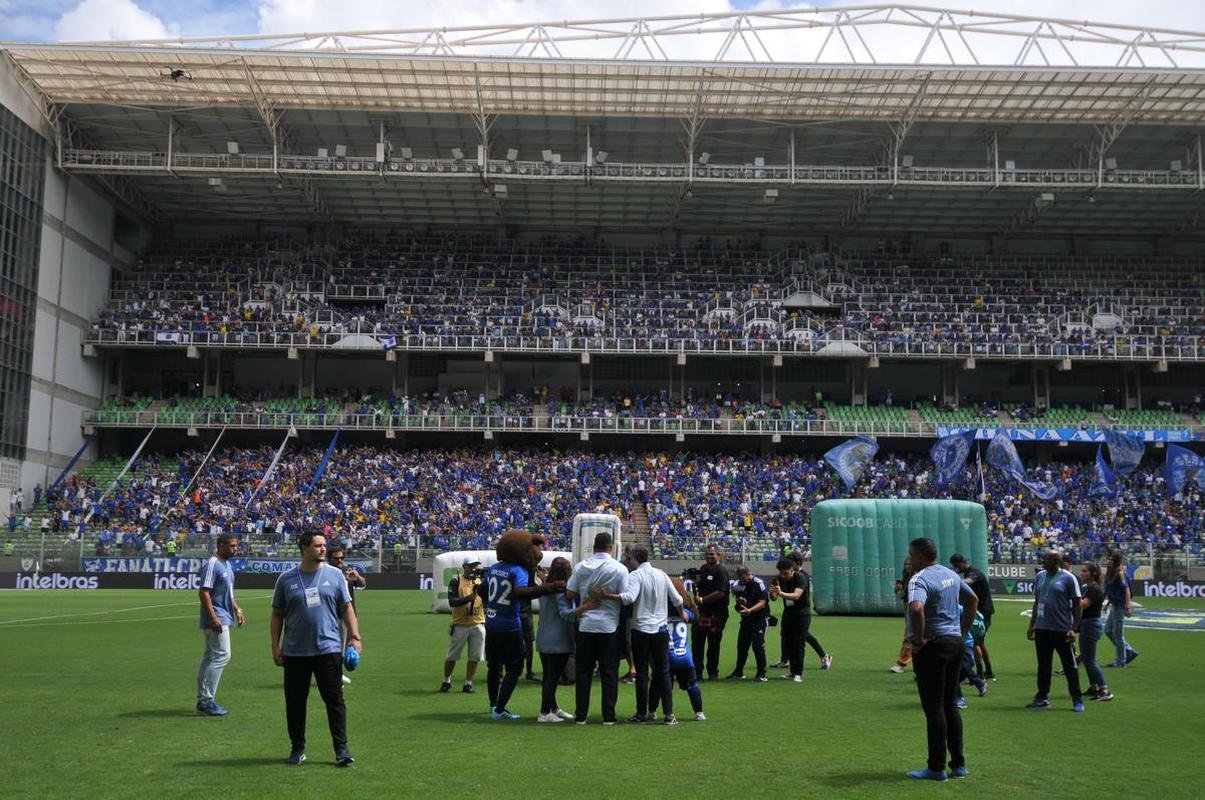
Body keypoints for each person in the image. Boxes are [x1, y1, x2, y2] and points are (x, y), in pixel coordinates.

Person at [270, 531, 361, 767]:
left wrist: (355, 637)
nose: (323, 549)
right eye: (317, 545)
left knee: (335, 701)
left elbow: (347, 608)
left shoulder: (335, 576)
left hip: (328, 648)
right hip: (295, 652)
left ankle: (341, 749)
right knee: (295, 702)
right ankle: (297, 748)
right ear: (304, 548)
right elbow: (277, 614)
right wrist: (275, 645)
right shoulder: (286, 579)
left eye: (324, 545)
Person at [905, 536, 977, 782]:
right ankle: (958, 764)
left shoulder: (920, 578)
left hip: (933, 647)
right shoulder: (950, 574)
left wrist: (918, 639)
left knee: (934, 709)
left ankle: (936, 768)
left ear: (921, 556)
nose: (909, 559)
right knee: (950, 705)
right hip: (955, 643)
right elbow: (972, 600)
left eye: (912, 555)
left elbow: (916, 608)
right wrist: (963, 631)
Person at [592, 544, 685, 724]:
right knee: (663, 672)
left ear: (634, 559)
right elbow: (677, 599)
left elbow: (629, 598)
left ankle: (641, 713)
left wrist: (607, 596)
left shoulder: (635, 575)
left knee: (642, 673)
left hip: (641, 629)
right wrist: (681, 613)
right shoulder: (662, 574)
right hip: (660, 629)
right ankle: (669, 714)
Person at [481, 531, 561, 721]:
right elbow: (521, 592)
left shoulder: (494, 567)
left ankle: (493, 705)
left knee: (493, 666)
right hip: (509, 624)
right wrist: (548, 587)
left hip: (491, 623)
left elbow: (482, 589)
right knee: (515, 667)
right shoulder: (518, 570)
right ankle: (500, 708)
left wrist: (490, 606)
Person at [565, 530, 629, 725]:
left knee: (583, 672)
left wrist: (587, 596)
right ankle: (608, 716)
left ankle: (581, 716)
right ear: (611, 547)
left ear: (594, 547)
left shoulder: (581, 566)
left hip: (585, 624)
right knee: (609, 672)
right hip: (609, 626)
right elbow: (626, 596)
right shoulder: (619, 569)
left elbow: (569, 594)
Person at [1026, 548, 1084, 712]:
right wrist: (1032, 625)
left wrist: (1074, 628)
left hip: (1062, 629)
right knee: (1043, 665)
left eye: (1047, 559)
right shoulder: (1040, 576)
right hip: (1042, 628)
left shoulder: (1068, 578)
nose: (1043, 561)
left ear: (1056, 561)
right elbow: (1037, 601)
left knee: (1069, 666)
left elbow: (1078, 604)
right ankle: (1042, 697)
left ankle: (1077, 699)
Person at [196, 534, 245, 716]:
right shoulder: (212, 564)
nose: (235, 549)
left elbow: (228, 594)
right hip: (217, 618)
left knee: (210, 657)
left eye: (236, 546)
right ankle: (206, 701)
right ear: (221, 545)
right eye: (232, 546)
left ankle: (203, 699)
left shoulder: (227, 564)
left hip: (223, 615)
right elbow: (204, 592)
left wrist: (237, 608)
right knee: (223, 655)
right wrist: (214, 617)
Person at [649, 576, 706, 722]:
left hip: (664, 656)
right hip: (684, 657)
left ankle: (652, 712)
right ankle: (699, 712)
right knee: (692, 685)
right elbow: (696, 617)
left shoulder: (658, 612)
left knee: (657, 685)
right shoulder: (686, 613)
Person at [770, 556, 830, 681]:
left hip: (801, 615)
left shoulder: (801, 577)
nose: (783, 576)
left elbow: (797, 595)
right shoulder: (779, 578)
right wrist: (773, 593)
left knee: (798, 644)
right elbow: (774, 598)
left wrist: (781, 593)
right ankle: (792, 671)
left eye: (785, 573)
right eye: (781, 573)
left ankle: (798, 674)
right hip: (788, 613)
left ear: (793, 570)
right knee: (788, 642)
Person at [535, 557, 577, 723]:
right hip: (558, 640)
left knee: (548, 676)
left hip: (544, 637)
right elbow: (566, 614)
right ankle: (545, 712)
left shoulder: (545, 588)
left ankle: (553, 708)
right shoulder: (560, 591)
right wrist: (584, 608)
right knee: (552, 678)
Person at [441, 557, 485, 695]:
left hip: (478, 623)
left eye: (475, 566)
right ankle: (446, 680)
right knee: (452, 655)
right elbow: (452, 602)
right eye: (471, 566)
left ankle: (468, 683)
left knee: (475, 656)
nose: (473, 568)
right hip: (460, 624)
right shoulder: (456, 581)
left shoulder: (479, 581)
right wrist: (468, 598)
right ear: (464, 566)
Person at [950, 553, 995, 681]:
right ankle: (989, 671)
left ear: (961, 563)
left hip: (981, 612)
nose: (956, 568)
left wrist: (949, 582)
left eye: (956, 566)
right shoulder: (970, 572)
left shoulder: (974, 573)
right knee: (980, 642)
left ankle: (979, 674)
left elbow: (967, 582)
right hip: (983, 611)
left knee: (975, 642)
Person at [691, 544, 730, 681]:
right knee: (697, 643)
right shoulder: (704, 569)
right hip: (702, 612)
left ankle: (713, 673)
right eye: (707, 554)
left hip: (717, 613)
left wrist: (702, 600)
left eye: (712, 554)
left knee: (713, 644)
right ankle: (697, 672)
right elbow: (700, 586)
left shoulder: (721, 571)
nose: (708, 556)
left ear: (719, 555)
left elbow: (720, 593)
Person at [329, 545, 367, 686]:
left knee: (347, 646)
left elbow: (362, 584)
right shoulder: (329, 573)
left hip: (350, 614)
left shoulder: (347, 569)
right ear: (329, 559)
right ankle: (336, 676)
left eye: (341, 558)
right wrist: (343, 580)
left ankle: (337, 674)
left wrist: (357, 577)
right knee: (336, 647)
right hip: (336, 615)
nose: (340, 560)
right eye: (336, 558)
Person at [727, 565, 770, 682]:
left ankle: (761, 673)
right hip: (746, 619)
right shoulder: (737, 584)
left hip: (760, 619)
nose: (742, 579)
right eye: (740, 577)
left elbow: (762, 603)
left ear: (748, 573)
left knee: (757, 645)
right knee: (742, 646)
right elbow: (738, 600)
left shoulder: (759, 583)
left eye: (744, 576)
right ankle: (738, 671)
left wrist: (750, 610)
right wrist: (740, 605)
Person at [1078, 562, 1114, 702]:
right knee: (1087, 659)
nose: (1082, 573)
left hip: (1090, 624)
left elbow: (1083, 604)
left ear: (1092, 574)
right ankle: (1094, 686)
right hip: (1088, 624)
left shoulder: (1094, 589)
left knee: (1090, 660)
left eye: (1085, 571)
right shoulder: (1089, 588)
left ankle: (1104, 689)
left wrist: (1070, 598)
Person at [1103, 552, 1139, 668]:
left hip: (1120, 606)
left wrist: (1127, 607)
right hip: (1114, 605)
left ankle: (1121, 661)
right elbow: (1111, 590)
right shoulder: (1110, 573)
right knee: (1108, 630)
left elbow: (1126, 591)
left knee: (1118, 635)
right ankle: (1128, 651)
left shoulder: (1120, 574)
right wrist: (1107, 603)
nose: (1108, 561)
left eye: (1111, 559)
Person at [891, 555, 917, 673]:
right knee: (913, 636)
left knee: (909, 636)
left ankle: (901, 663)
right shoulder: (907, 577)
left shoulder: (917, 577)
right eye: (906, 564)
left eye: (909, 564)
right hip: (908, 607)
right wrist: (897, 589)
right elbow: (901, 596)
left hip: (917, 607)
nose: (907, 566)